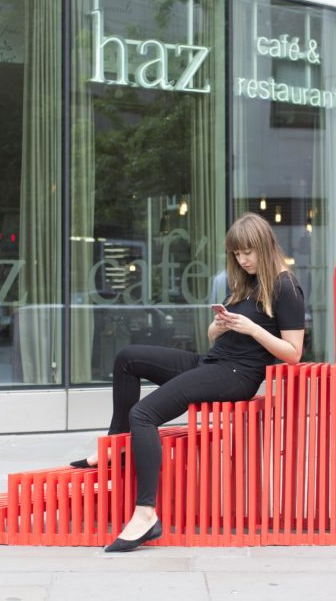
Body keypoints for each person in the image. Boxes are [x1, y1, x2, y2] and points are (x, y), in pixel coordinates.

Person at [70, 212, 306, 552]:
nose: (243, 260)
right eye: (237, 254)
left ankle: (146, 513)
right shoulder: (245, 281)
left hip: (238, 375)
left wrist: (251, 328)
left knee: (144, 414)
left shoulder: (286, 287)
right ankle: (117, 447)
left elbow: (294, 352)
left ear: (265, 245)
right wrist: (221, 324)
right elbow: (213, 337)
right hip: (212, 361)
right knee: (127, 357)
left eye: (248, 252)